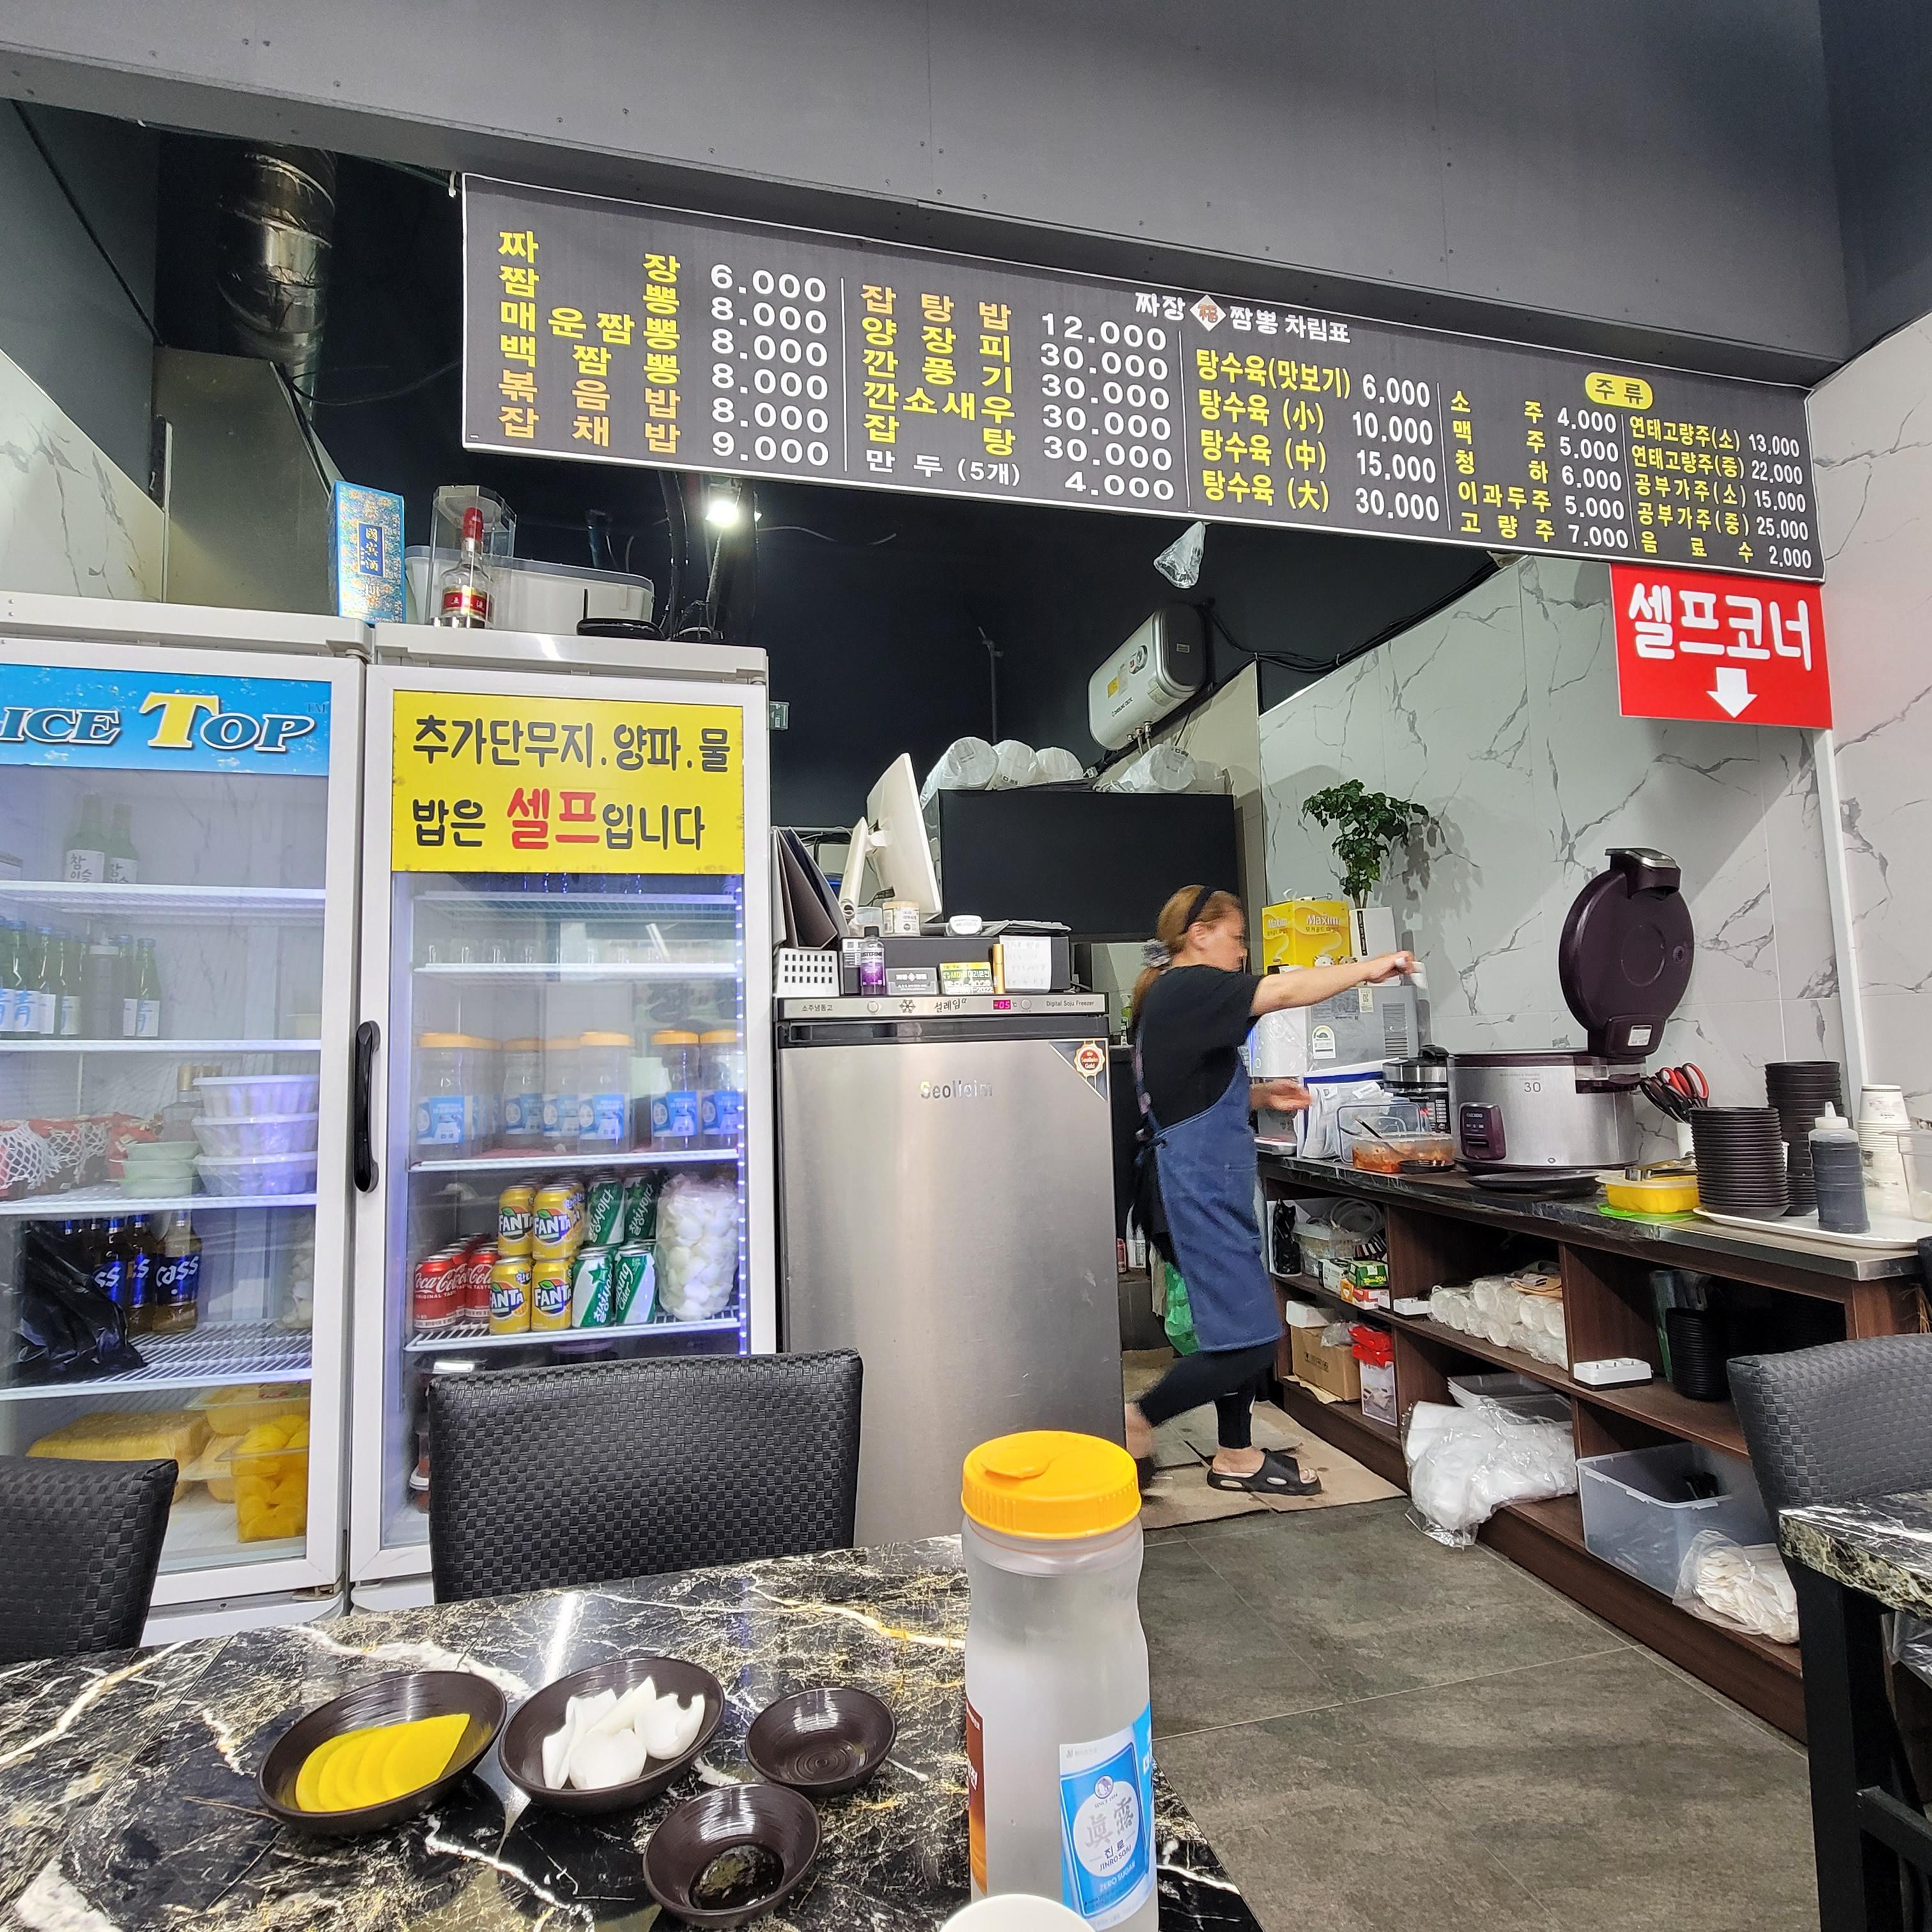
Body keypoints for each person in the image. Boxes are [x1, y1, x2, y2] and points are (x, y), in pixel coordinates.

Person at [1126, 884, 1413, 1493]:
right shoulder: (1190, 985)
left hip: (1194, 1185)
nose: (1241, 954)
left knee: (1233, 1330)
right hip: (1194, 1188)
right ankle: (1139, 1419)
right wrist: (1370, 968)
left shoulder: (1174, 995)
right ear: (1199, 935)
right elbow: (1283, 992)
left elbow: (1186, 1090)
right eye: (1236, 939)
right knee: (1252, 1341)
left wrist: (1258, 1096)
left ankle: (1236, 1455)